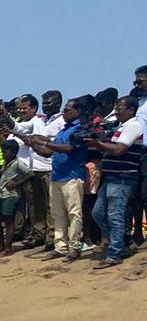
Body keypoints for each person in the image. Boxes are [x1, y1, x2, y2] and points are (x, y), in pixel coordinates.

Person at [86, 96, 145, 269]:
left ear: (131, 110)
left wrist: (99, 144)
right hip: (113, 177)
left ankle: (114, 254)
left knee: (115, 216)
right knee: (98, 213)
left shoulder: (133, 125)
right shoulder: (121, 126)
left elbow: (119, 149)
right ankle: (119, 246)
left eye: (120, 109)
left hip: (122, 177)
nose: (117, 112)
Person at [29, 97, 89, 261]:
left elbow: (68, 148)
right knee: (57, 214)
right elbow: (49, 152)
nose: (64, 111)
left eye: (68, 109)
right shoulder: (64, 129)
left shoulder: (79, 129)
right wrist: (33, 143)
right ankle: (60, 246)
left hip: (72, 176)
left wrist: (46, 143)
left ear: (77, 111)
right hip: (57, 176)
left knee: (74, 213)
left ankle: (74, 247)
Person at [5, 94, 53, 247]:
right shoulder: (28, 122)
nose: (20, 111)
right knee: (35, 205)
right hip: (33, 168)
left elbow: (31, 137)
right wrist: (6, 117)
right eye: (18, 108)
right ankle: (38, 234)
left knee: (49, 205)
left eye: (23, 108)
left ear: (33, 108)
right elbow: (17, 127)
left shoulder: (39, 121)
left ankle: (50, 237)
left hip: (46, 167)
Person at [0, 140, 32, 257]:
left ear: (13, 153)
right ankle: (1, 245)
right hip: (1, 195)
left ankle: (8, 248)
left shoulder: (18, 163)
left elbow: (30, 174)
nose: (3, 154)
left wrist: (17, 184)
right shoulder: (6, 163)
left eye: (5, 151)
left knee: (9, 220)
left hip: (11, 195)